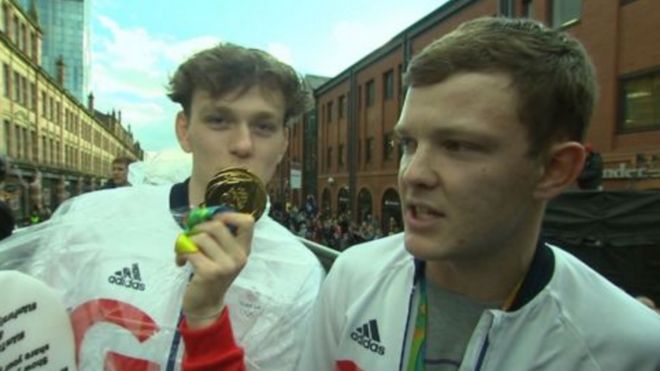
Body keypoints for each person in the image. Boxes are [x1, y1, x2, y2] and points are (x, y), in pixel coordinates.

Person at [294, 17, 660, 370]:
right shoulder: (353, 276)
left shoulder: (630, 348)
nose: (414, 173)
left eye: (458, 145)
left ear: (554, 170)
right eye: (407, 143)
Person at [0, 43, 324, 370]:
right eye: (219, 120)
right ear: (184, 131)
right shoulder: (88, 218)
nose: (242, 145)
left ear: (283, 143)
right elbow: (27, 337)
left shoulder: (298, 273)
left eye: (263, 126)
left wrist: (209, 316)